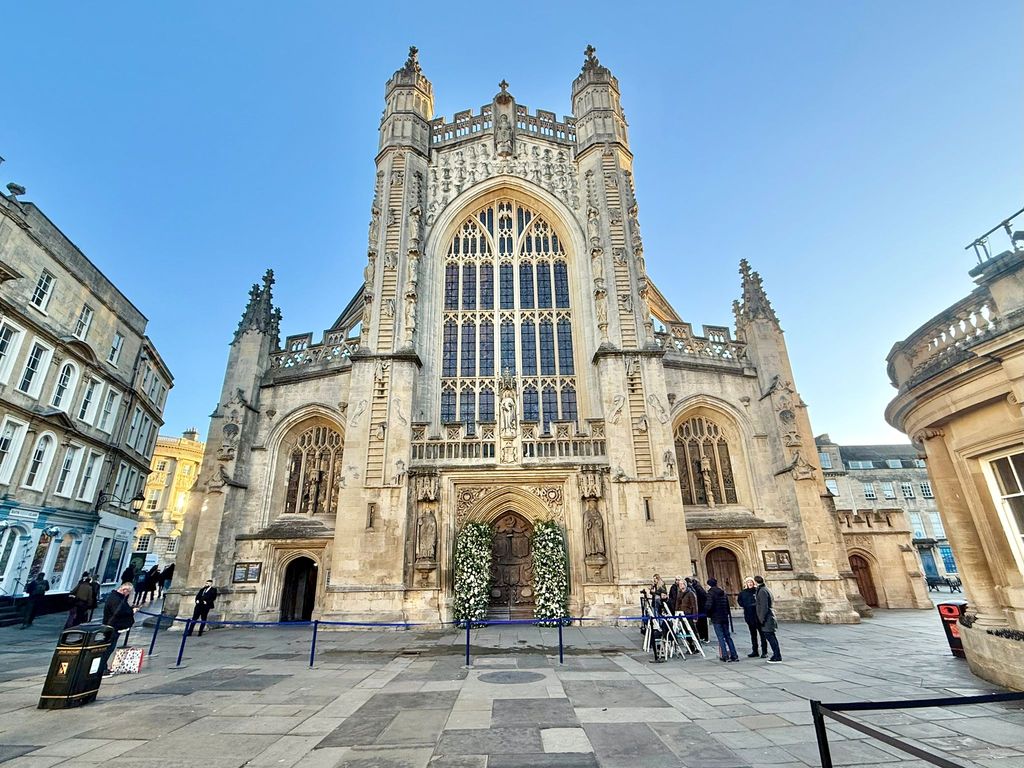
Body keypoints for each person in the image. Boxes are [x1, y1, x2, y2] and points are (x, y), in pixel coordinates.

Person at [100, 582, 135, 676]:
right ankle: (102, 669)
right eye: (129, 592)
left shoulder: (117, 597)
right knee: (108, 648)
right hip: (112, 627)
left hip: (113, 626)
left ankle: (104, 668)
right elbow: (118, 611)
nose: (129, 594)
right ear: (125, 590)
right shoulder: (116, 599)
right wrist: (131, 611)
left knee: (109, 648)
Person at [706, 577, 738, 662]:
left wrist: (708, 614)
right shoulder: (723, 592)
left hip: (716, 618)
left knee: (720, 637)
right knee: (728, 636)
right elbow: (727, 606)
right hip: (724, 617)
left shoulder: (710, 593)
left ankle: (725, 655)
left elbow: (709, 606)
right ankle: (734, 655)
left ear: (709, 585)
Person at [754, 575, 783, 663]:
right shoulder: (764, 589)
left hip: (767, 618)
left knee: (771, 637)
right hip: (768, 617)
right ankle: (776, 655)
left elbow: (764, 606)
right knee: (771, 637)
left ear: (756, 582)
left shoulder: (762, 591)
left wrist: (761, 619)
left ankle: (777, 656)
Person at [738, 578, 767, 658]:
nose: (749, 583)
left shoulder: (757, 591)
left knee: (762, 634)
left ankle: (764, 651)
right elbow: (740, 601)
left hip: (758, 616)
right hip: (749, 616)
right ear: (746, 583)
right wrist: (746, 605)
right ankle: (755, 651)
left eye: (751, 582)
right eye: (748, 582)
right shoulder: (743, 593)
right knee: (753, 634)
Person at [689, 577, 710, 643]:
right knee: (701, 623)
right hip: (701, 608)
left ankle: (704, 637)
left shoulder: (696, 589)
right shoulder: (699, 588)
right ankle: (703, 637)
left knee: (701, 623)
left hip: (700, 609)